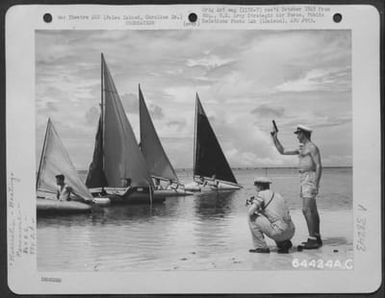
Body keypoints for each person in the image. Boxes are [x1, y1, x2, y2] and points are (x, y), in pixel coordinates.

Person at [271, 124, 323, 249]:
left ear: (303, 134)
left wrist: (315, 184)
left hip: (309, 178)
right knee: (313, 210)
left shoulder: (312, 147)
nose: (296, 136)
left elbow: (318, 166)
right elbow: (282, 151)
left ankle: (312, 239)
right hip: (303, 179)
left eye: (298, 133)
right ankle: (316, 237)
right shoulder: (301, 148)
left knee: (306, 210)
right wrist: (275, 137)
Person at [247, 177, 295, 253]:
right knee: (276, 220)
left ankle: (261, 247)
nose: (255, 187)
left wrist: (252, 205)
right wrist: (261, 211)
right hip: (291, 231)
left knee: (252, 218)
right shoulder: (278, 195)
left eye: (255, 185)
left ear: (259, 186)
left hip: (280, 232)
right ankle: (283, 243)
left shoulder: (261, 194)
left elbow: (250, 212)